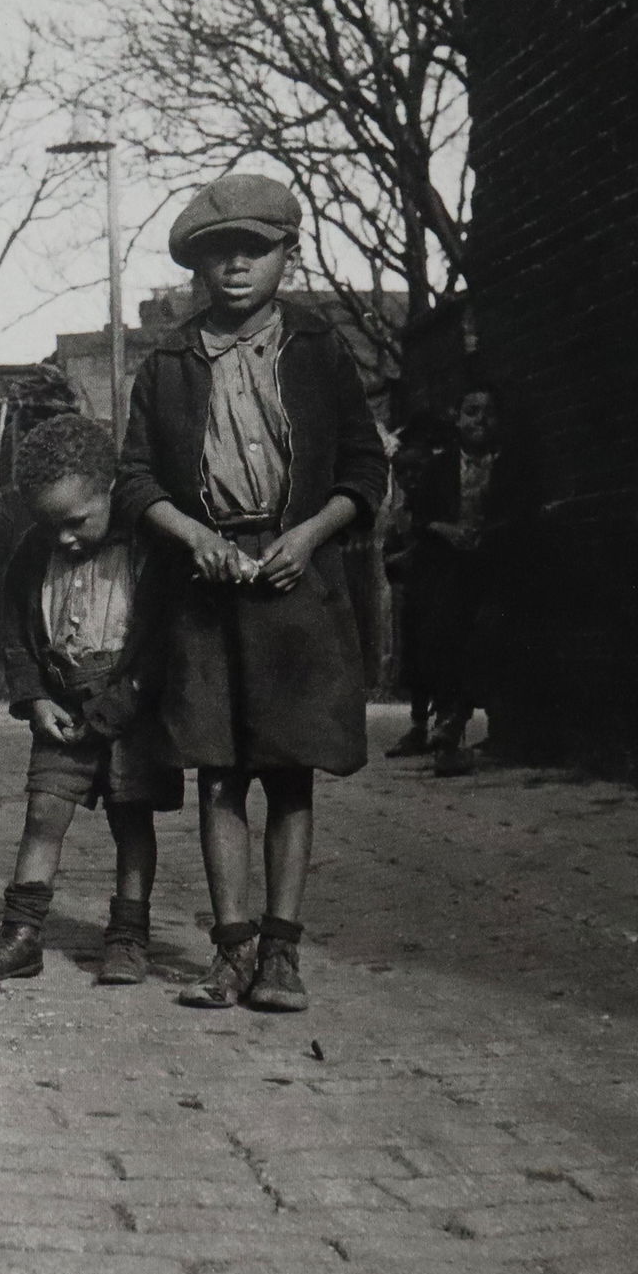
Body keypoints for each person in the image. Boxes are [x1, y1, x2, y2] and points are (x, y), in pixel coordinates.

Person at [116, 175, 387, 1013]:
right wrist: (193, 536)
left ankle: (282, 952)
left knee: (288, 772)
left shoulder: (319, 349)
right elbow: (132, 480)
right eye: (216, 254)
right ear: (197, 267)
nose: (235, 268)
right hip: (204, 594)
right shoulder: (166, 363)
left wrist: (307, 537)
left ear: (286, 256)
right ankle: (229, 950)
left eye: (254, 251)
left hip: (297, 589)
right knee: (218, 772)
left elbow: (362, 468)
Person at [0, 413, 182, 987]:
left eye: (76, 520)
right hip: (61, 708)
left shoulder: (147, 549)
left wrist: (119, 709)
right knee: (42, 815)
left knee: (132, 823)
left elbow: (160, 642)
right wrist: (33, 698)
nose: (63, 537)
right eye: (48, 523)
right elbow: (16, 631)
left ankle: (129, 937)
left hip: (131, 711)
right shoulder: (35, 553)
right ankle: (23, 934)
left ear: (108, 489)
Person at [407, 384, 504, 777]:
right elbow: (420, 520)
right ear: (457, 417)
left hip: (494, 566)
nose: (479, 420)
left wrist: (490, 533)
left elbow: (519, 508)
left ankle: (474, 720)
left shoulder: (506, 464)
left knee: (488, 634)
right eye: (471, 411)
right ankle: (448, 724)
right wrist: (449, 530)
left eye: (488, 412)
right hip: (450, 569)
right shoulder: (440, 468)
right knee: (445, 634)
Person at [382, 413, 452, 758]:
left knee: (439, 656)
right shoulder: (400, 514)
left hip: (440, 594)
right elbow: (390, 556)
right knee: (413, 660)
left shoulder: (439, 505)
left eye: (417, 471)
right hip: (413, 596)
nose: (410, 479)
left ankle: (446, 725)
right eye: (403, 472)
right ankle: (418, 725)